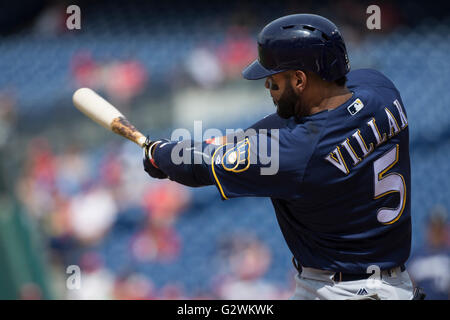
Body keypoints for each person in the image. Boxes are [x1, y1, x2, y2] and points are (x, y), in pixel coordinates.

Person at [142, 14, 421, 300]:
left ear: (299, 79)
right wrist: (235, 140)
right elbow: (292, 125)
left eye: (274, 79)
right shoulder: (382, 89)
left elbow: (195, 167)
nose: (268, 86)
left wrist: (159, 152)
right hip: (395, 284)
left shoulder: (297, 154)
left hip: (341, 291)